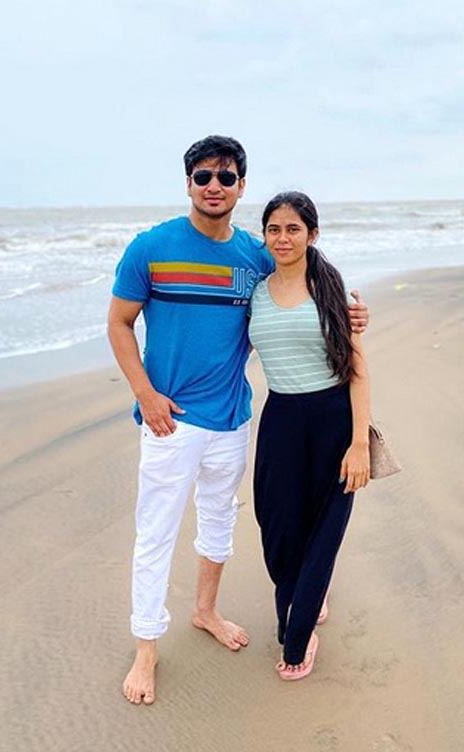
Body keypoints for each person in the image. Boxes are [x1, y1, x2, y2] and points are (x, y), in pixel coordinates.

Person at [108, 137, 369, 705]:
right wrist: (145, 394)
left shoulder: (255, 255)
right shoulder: (151, 249)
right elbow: (119, 323)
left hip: (232, 419)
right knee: (155, 533)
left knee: (219, 522)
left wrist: (352, 314)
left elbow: (303, 283)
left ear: (241, 186)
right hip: (170, 421)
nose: (214, 186)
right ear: (188, 183)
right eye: (203, 176)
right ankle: (146, 648)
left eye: (226, 177)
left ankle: (206, 611)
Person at [249, 191, 371, 680]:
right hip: (280, 419)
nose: (283, 238)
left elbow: (357, 372)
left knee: (323, 527)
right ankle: (305, 595)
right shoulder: (256, 292)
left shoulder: (331, 293)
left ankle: (297, 637)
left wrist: (359, 444)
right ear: (264, 236)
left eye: (293, 229)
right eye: (274, 229)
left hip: (332, 420)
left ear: (312, 235)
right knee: (278, 528)